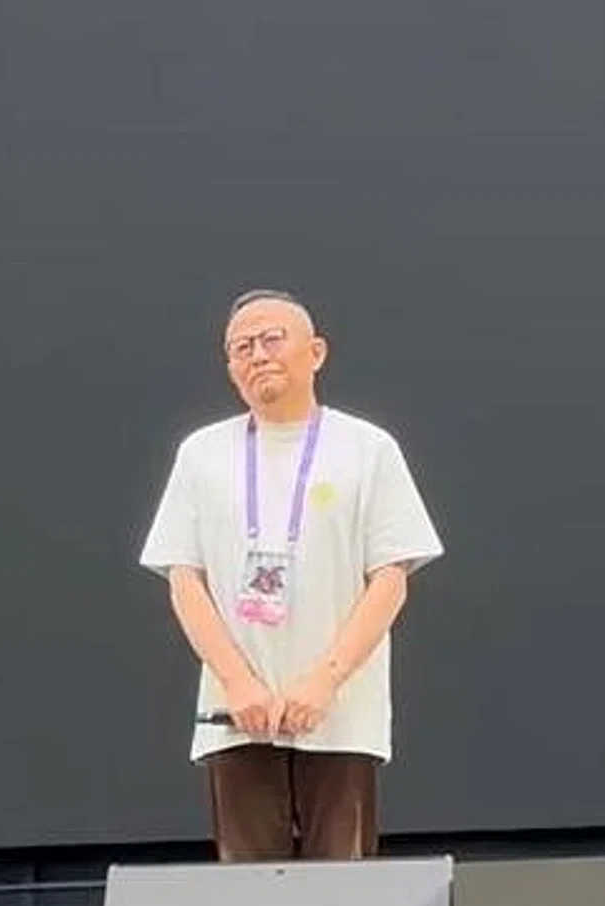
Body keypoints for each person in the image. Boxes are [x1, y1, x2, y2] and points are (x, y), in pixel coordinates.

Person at [138, 289, 442, 862]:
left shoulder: (368, 448)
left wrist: (325, 680)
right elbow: (183, 578)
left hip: (341, 710)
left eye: (271, 339)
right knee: (249, 887)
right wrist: (238, 682)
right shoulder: (202, 453)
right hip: (237, 712)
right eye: (240, 348)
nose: (257, 355)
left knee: (343, 886)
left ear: (316, 352)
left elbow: (391, 577)